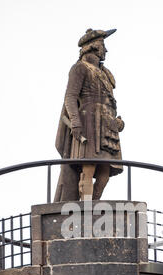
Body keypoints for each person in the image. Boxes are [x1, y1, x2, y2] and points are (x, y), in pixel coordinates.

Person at [54, 28, 124, 201]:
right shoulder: (80, 68)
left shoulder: (105, 75)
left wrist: (117, 121)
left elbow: (110, 102)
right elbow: (70, 97)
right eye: (102, 45)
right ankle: (85, 206)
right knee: (89, 167)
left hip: (107, 125)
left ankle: (94, 204)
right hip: (89, 123)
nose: (105, 50)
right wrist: (76, 122)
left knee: (105, 172)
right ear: (93, 46)